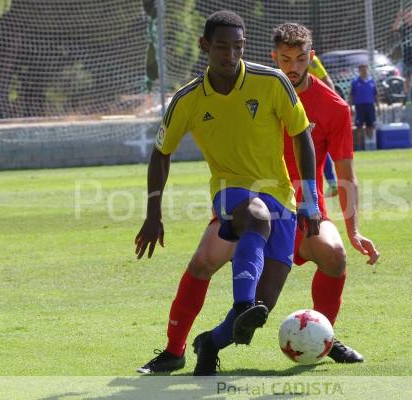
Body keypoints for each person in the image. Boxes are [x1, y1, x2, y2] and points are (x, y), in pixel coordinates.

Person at [136, 21, 380, 376]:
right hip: (234, 199)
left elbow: (320, 152)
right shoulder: (190, 99)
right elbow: (161, 152)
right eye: (285, 58)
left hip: (290, 203)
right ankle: (177, 347)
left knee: (272, 301)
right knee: (220, 247)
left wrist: (323, 210)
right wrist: (152, 213)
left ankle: (221, 340)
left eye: (300, 59)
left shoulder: (302, 95)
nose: (229, 55)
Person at [308, 54, 339, 196]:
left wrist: (331, 106)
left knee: (315, 146)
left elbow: (327, 81)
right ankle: (330, 184)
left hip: (314, 110)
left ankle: (330, 184)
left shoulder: (311, 60)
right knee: (315, 146)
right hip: (306, 108)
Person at [392, 7, 412, 106]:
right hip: (407, 55)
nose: (408, 16)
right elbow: (394, 29)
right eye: (406, 14)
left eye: (410, 14)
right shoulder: (403, 27)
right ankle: (406, 99)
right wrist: (398, 17)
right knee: (407, 77)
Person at [349, 64, 379, 150]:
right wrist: (350, 107)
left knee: (370, 126)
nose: (364, 71)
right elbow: (351, 95)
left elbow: (376, 95)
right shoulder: (355, 82)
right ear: (359, 71)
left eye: (365, 69)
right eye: (362, 69)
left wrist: (378, 106)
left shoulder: (371, 81)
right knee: (359, 126)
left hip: (370, 106)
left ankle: (371, 144)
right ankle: (359, 146)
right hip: (359, 106)